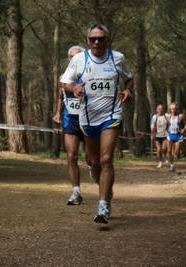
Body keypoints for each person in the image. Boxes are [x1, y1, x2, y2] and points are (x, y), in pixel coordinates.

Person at [61, 23, 133, 224]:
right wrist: (73, 89)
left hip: (111, 115)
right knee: (94, 162)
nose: (96, 42)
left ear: (107, 40)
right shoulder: (79, 60)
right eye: (93, 39)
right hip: (87, 117)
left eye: (100, 38)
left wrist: (128, 91)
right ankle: (105, 189)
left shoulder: (117, 58)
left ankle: (103, 206)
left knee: (106, 158)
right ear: (88, 41)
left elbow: (129, 79)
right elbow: (65, 83)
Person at [52, 45, 88, 205]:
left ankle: (101, 179)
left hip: (89, 119)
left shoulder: (90, 74)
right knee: (71, 156)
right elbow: (60, 97)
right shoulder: (63, 77)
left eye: (78, 56)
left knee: (91, 159)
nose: (74, 59)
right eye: (71, 57)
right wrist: (58, 113)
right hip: (71, 120)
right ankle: (76, 192)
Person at [165, 103, 186, 172]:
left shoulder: (181, 116)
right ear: (170, 109)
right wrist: (165, 130)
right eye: (172, 109)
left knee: (176, 152)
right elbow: (166, 124)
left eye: (175, 109)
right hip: (170, 134)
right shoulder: (168, 116)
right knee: (169, 150)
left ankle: (174, 159)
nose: (173, 110)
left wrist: (184, 129)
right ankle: (171, 165)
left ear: (177, 109)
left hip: (178, 135)